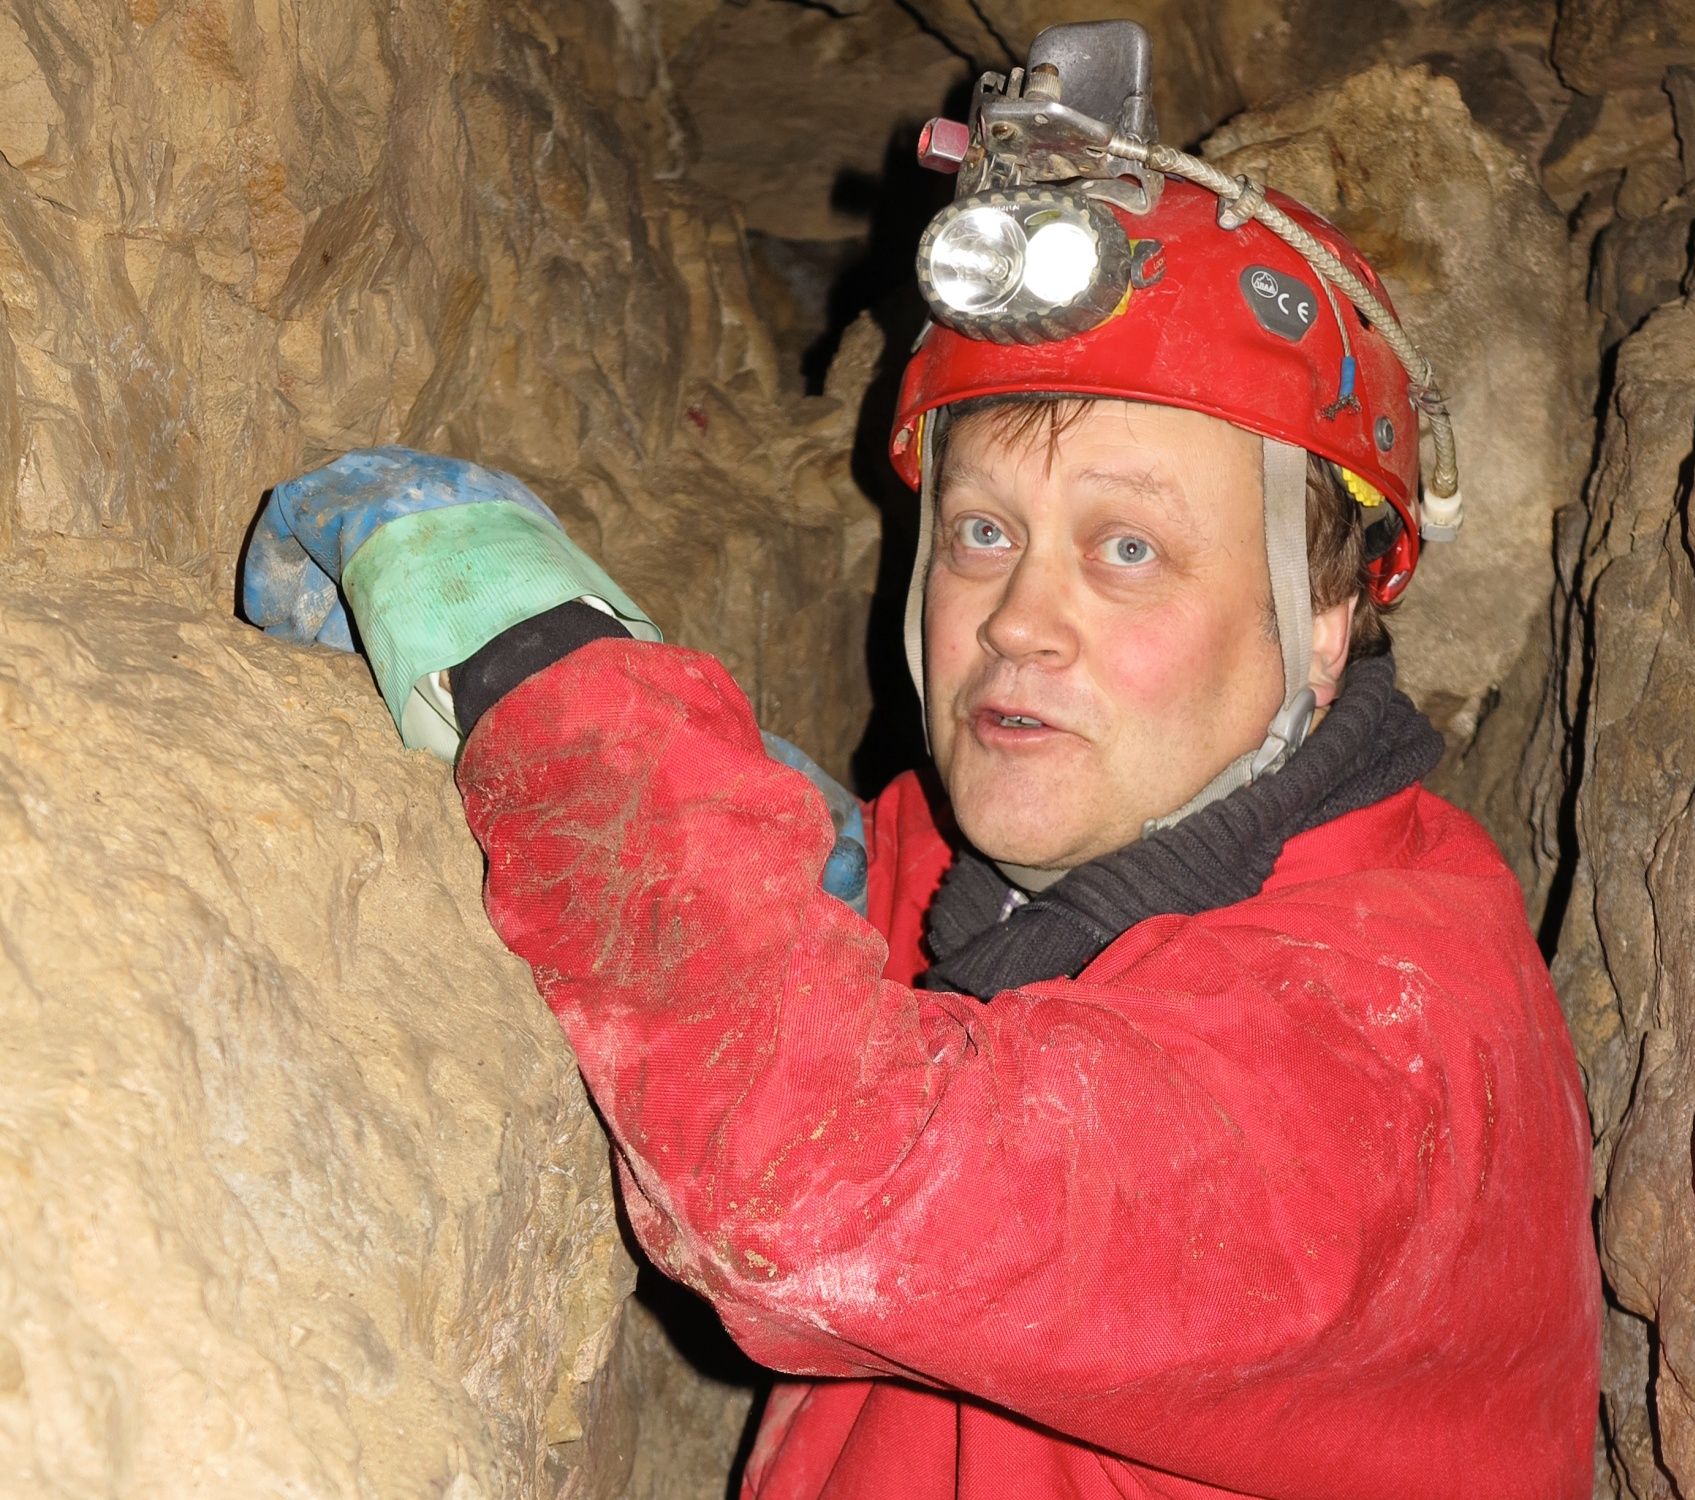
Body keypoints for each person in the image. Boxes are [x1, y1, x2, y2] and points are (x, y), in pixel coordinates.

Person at [246, 22, 1598, 1498]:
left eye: (1129, 549)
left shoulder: (1384, 1054)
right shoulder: (1038, 889)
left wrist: (546, 683)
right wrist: (711, 778)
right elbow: (888, 917)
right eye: (983, 533)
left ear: (1323, 623)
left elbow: (821, 1173)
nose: (1021, 621)